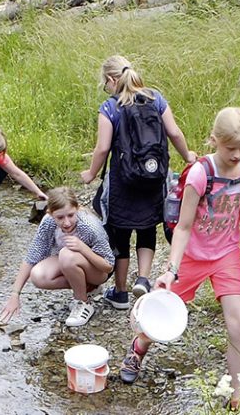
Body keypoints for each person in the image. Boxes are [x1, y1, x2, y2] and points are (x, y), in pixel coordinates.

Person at [117, 108, 240, 410]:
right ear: (214, 140)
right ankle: (139, 347)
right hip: (191, 255)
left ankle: (236, 392)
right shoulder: (201, 174)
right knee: (157, 313)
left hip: (226, 254)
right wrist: (171, 270)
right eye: (231, 149)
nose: (237, 155)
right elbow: (185, 227)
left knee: (239, 323)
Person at [80, 55, 197, 309]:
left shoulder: (110, 107)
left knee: (120, 232)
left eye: (106, 84)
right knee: (147, 227)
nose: (107, 89)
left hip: (123, 179)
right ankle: (143, 279)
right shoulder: (155, 98)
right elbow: (174, 132)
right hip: (154, 176)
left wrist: (91, 173)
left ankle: (120, 292)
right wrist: (188, 156)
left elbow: (102, 149)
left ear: (112, 80)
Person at [0, 187, 114, 327]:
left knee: (66, 255)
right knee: (37, 275)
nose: (66, 223)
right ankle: (87, 289)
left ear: (77, 209)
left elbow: (108, 266)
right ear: (50, 214)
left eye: (71, 215)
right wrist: (15, 294)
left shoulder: (89, 226)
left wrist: (83, 248)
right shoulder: (48, 222)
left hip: (98, 272)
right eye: (60, 217)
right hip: (70, 264)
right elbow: (32, 256)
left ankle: (83, 303)